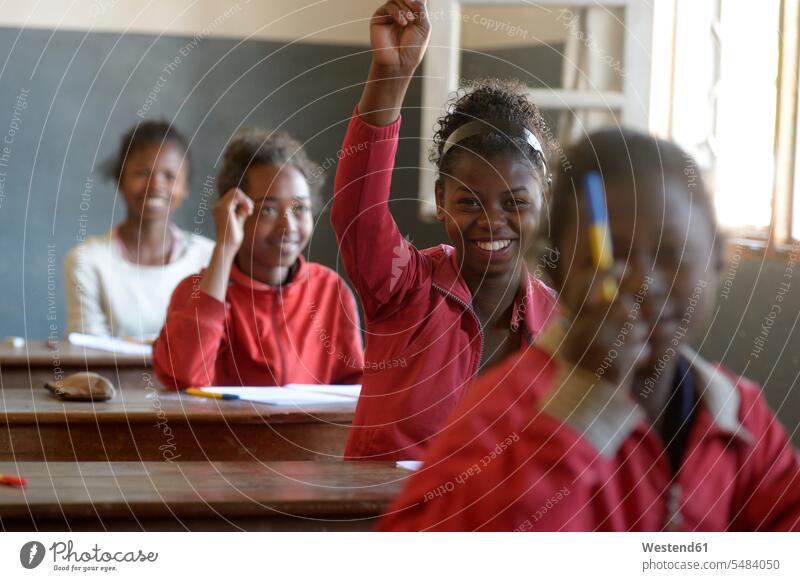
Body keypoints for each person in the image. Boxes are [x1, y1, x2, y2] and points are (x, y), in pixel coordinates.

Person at [379, 129, 800, 531]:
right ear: (559, 277)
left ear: (717, 262)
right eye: (610, 255)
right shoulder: (505, 409)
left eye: (672, 254)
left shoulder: (738, 417)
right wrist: (579, 407)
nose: (643, 282)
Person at [331, 0, 556, 460]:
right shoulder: (405, 289)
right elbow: (359, 213)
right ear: (439, 201)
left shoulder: (560, 325)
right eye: (469, 201)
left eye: (515, 202)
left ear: (543, 204)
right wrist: (391, 75)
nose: (492, 220)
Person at [154, 128, 363, 389]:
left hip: (309, 430)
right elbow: (186, 377)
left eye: (300, 209)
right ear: (237, 213)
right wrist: (225, 247)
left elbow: (353, 387)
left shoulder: (330, 290)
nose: (288, 226)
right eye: (268, 210)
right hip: (225, 431)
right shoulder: (196, 292)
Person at [65, 120, 213, 339]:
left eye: (170, 176)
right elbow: (90, 353)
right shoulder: (87, 261)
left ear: (187, 186)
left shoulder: (210, 258)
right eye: (142, 173)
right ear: (120, 180)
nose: (155, 186)